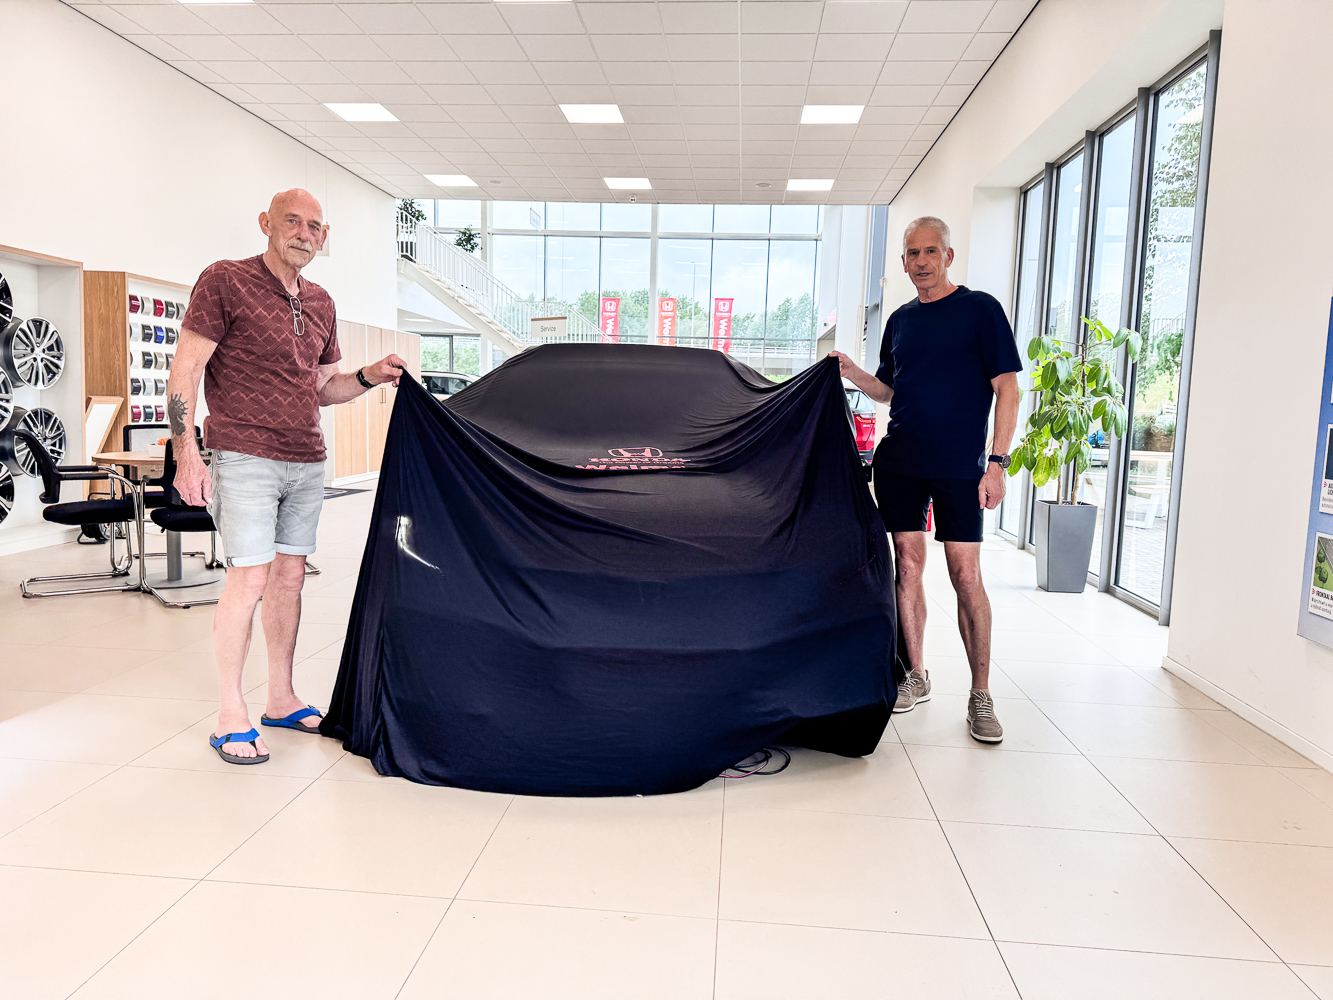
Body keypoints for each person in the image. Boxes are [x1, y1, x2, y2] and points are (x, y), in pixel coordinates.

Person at [167, 188, 405, 764]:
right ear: (266, 223)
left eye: (314, 226)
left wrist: (369, 376)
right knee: (248, 580)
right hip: (243, 454)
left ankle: (280, 698)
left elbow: (323, 387)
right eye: (292, 221)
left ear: (325, 237)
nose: (303, 233)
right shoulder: (225, 280)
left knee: (290, 579)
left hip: (305, 458)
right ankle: (230, 714)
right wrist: (186, 454)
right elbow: (186, 370)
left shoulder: (321, 301)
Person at [831, 216, 1021, 743]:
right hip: (901, 463)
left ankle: (980, 694)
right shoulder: (899, 320)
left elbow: (1007, 388)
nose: (921, 262)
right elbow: (888, 391)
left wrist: (997, 462)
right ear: (903, 262)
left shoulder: (981, 310)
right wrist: (849, 371)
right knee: (908, 566)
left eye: (930, 251)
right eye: (912, 254)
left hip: (960, 466)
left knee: (965, 575)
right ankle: (916, 673)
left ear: (948, 256)